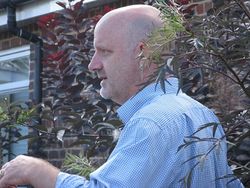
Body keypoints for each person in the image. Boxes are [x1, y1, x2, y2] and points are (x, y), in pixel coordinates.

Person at [0, 4, 243, 188]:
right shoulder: (199, 112)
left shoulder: (153, 122)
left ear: (143, 54)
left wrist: (37, 171)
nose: (92, 65)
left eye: (104, 51)